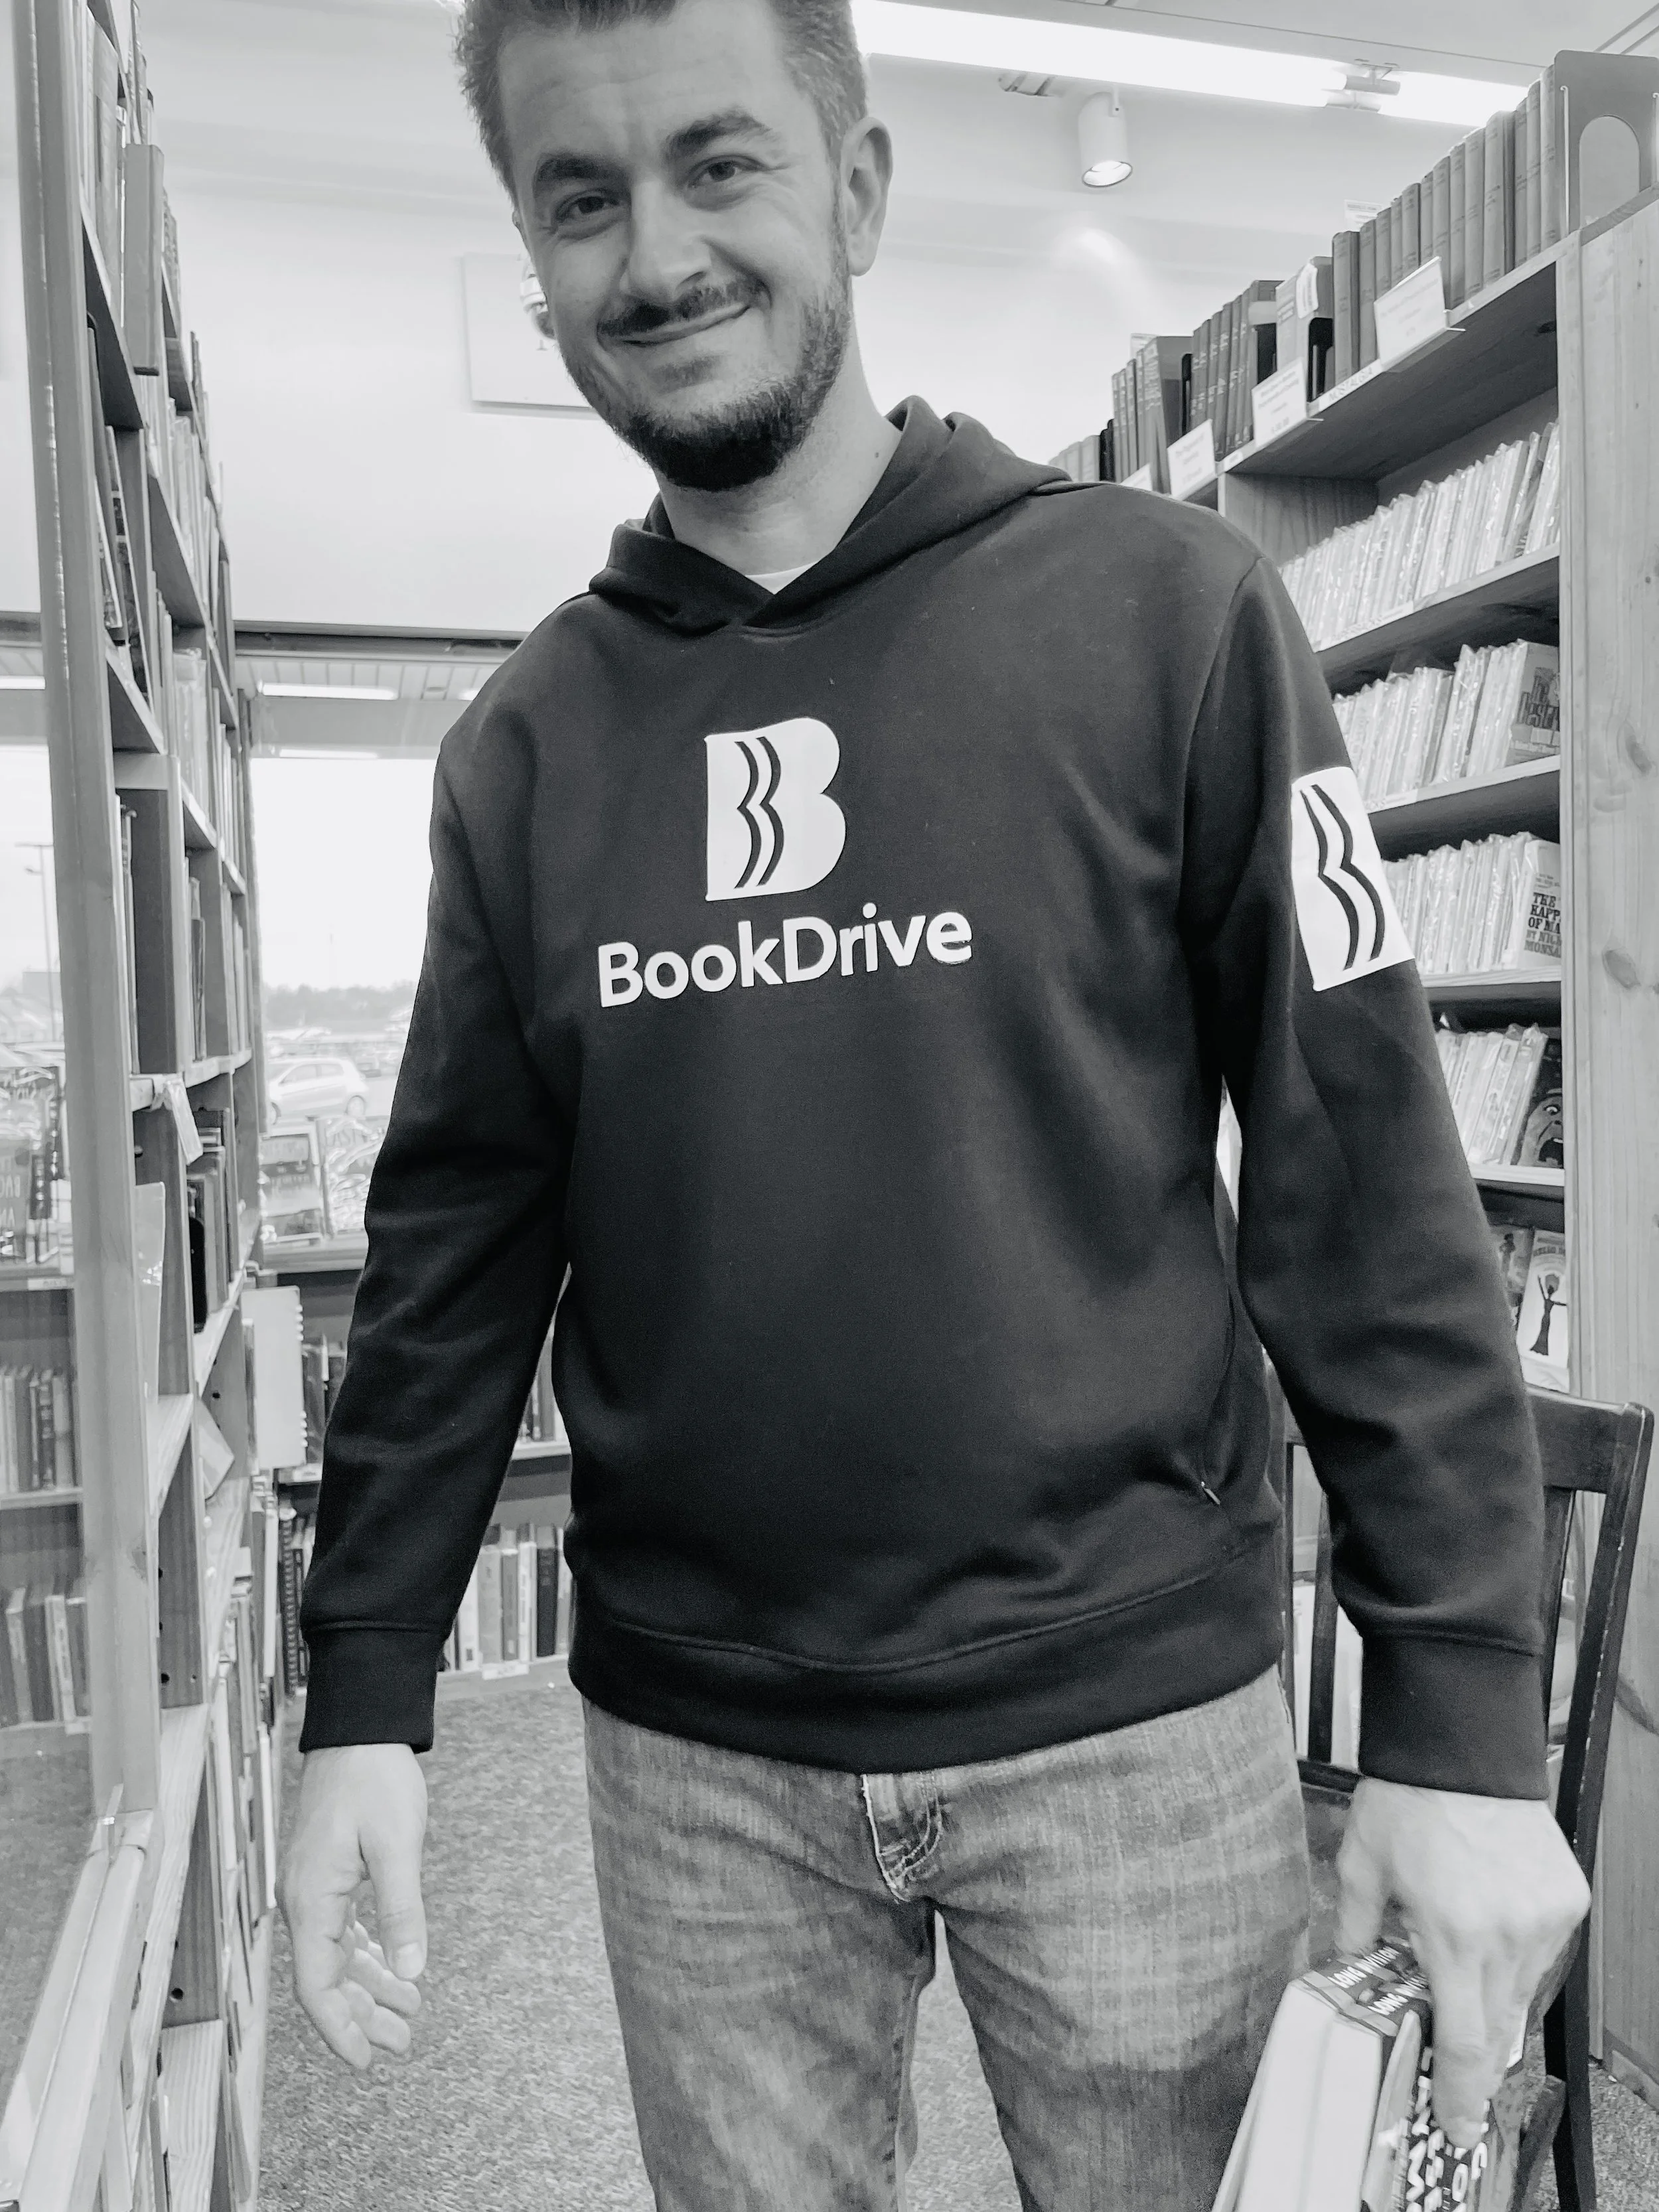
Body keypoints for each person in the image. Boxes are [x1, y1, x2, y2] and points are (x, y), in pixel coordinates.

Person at [279, 1, 1589, 2203]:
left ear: (860, 187)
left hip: (1134, 1721)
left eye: (719, 163)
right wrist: (366, 1692)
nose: (654, 255)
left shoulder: (1173, 615)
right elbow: (452, 1251)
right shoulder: (523, 747)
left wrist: (1459, 1711)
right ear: (531, 259)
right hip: (700, 1761)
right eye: (580, 199)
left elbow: (1361, 1170)